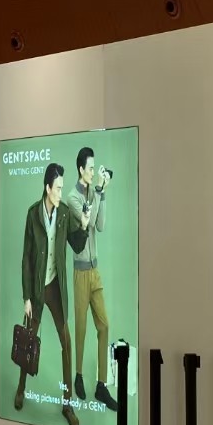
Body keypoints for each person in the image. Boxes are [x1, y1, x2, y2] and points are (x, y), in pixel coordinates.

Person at [18, 163, 79, 425]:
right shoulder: (33, 214)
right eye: (58, 188)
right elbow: (26, 259)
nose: (60, 193)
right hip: (37, 289)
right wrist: (27, 297)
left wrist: (84, 223)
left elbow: (77, 241)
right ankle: (21, 388)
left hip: (56, 287)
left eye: (62, 188)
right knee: (28, 340)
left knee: (66, 342)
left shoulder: (64, 213)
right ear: (47, 188)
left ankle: (68, 404)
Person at [66, 147, 116, 411]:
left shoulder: (92, 193)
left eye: (95, 168)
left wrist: (102, 193)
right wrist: (97, 191)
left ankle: (101, 385)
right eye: (90, 168)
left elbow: (101, 225)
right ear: (80, 170)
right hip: (80, 272)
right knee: (82, 329)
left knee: (104, 326)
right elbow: (88, 221)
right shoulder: (72, 198)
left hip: (95, 271)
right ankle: (78, 375)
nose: (93, 171)